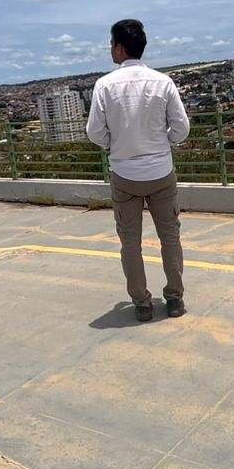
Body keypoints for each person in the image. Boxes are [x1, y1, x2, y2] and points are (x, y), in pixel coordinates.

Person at [85, 18, 191, 322]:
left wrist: (115, 145)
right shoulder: (163, 82)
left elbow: (95, 133)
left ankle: (142, 304)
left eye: (110, 44)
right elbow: (181, 128)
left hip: (124, 174)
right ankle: (175, 299)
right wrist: (162, 143)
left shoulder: (104, 85)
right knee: (169, 237)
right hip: (160, 171)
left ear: (119, 47)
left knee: (130, 243)